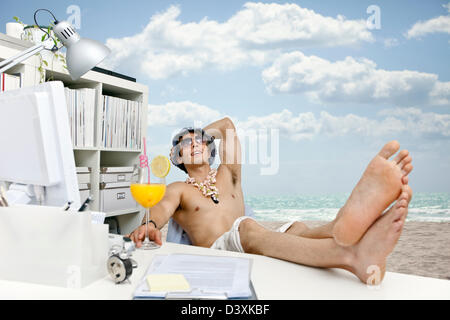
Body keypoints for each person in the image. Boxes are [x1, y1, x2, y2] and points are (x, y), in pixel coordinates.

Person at [128, 117, 413, 285]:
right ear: (176, 157)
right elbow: (161, 208)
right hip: (222, 250)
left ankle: (344, 225)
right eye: (185, 145)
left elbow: (227, 125)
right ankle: (350, 256)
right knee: (248, 228)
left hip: (250, 239)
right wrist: (150, 224)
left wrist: (198, 134)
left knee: (296, 228)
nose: (195, 145)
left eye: (200, 141)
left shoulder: (230, 173)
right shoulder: (178, 188)